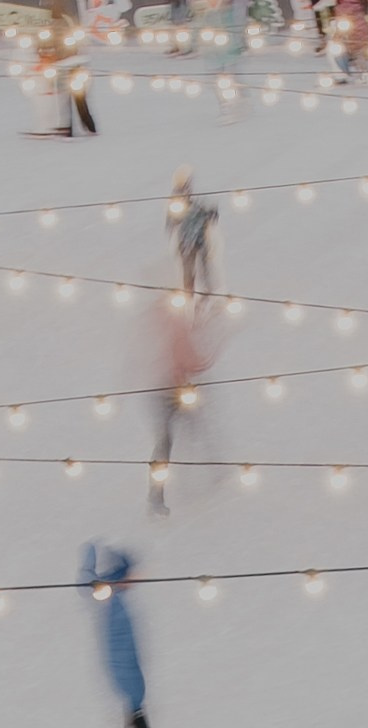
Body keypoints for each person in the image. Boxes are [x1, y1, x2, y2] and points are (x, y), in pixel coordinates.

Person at [80, 544, 166, 728]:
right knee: (136, 716)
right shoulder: (106, 593)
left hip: (128, 666)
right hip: (122, 667)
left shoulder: (114, 594)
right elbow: (85, 585)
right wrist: (89, 559)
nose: (134, 582)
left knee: (138, 715)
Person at [148, 296, 215, 518]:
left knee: (167, 441)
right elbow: (196, 362)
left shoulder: (164, 326)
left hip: (163, 390)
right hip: (173, 390)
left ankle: (158, 494)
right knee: (181, 435)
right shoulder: (179, 329)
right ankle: (162, 493)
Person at [166, 167, 218, 296]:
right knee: (189, 268)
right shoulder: (176, 200)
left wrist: (210, 213)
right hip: (187, 239)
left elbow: (210, 214)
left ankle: (205, 289)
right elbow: (172, 221)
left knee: (202, 265)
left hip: (197, 238)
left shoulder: (197, 200)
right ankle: (190, 291)